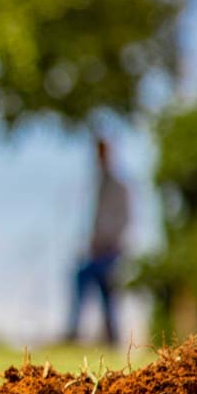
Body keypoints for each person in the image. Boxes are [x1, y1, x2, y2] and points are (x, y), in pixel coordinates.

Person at [66, 138, 129, 344]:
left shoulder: (118, 186)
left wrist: (108, 241)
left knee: (108, 296)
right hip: (94, 250)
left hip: (109, 250)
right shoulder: (97, 183)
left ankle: (111, 338)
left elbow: (123, 219)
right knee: (86, 285)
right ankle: (75, 331)